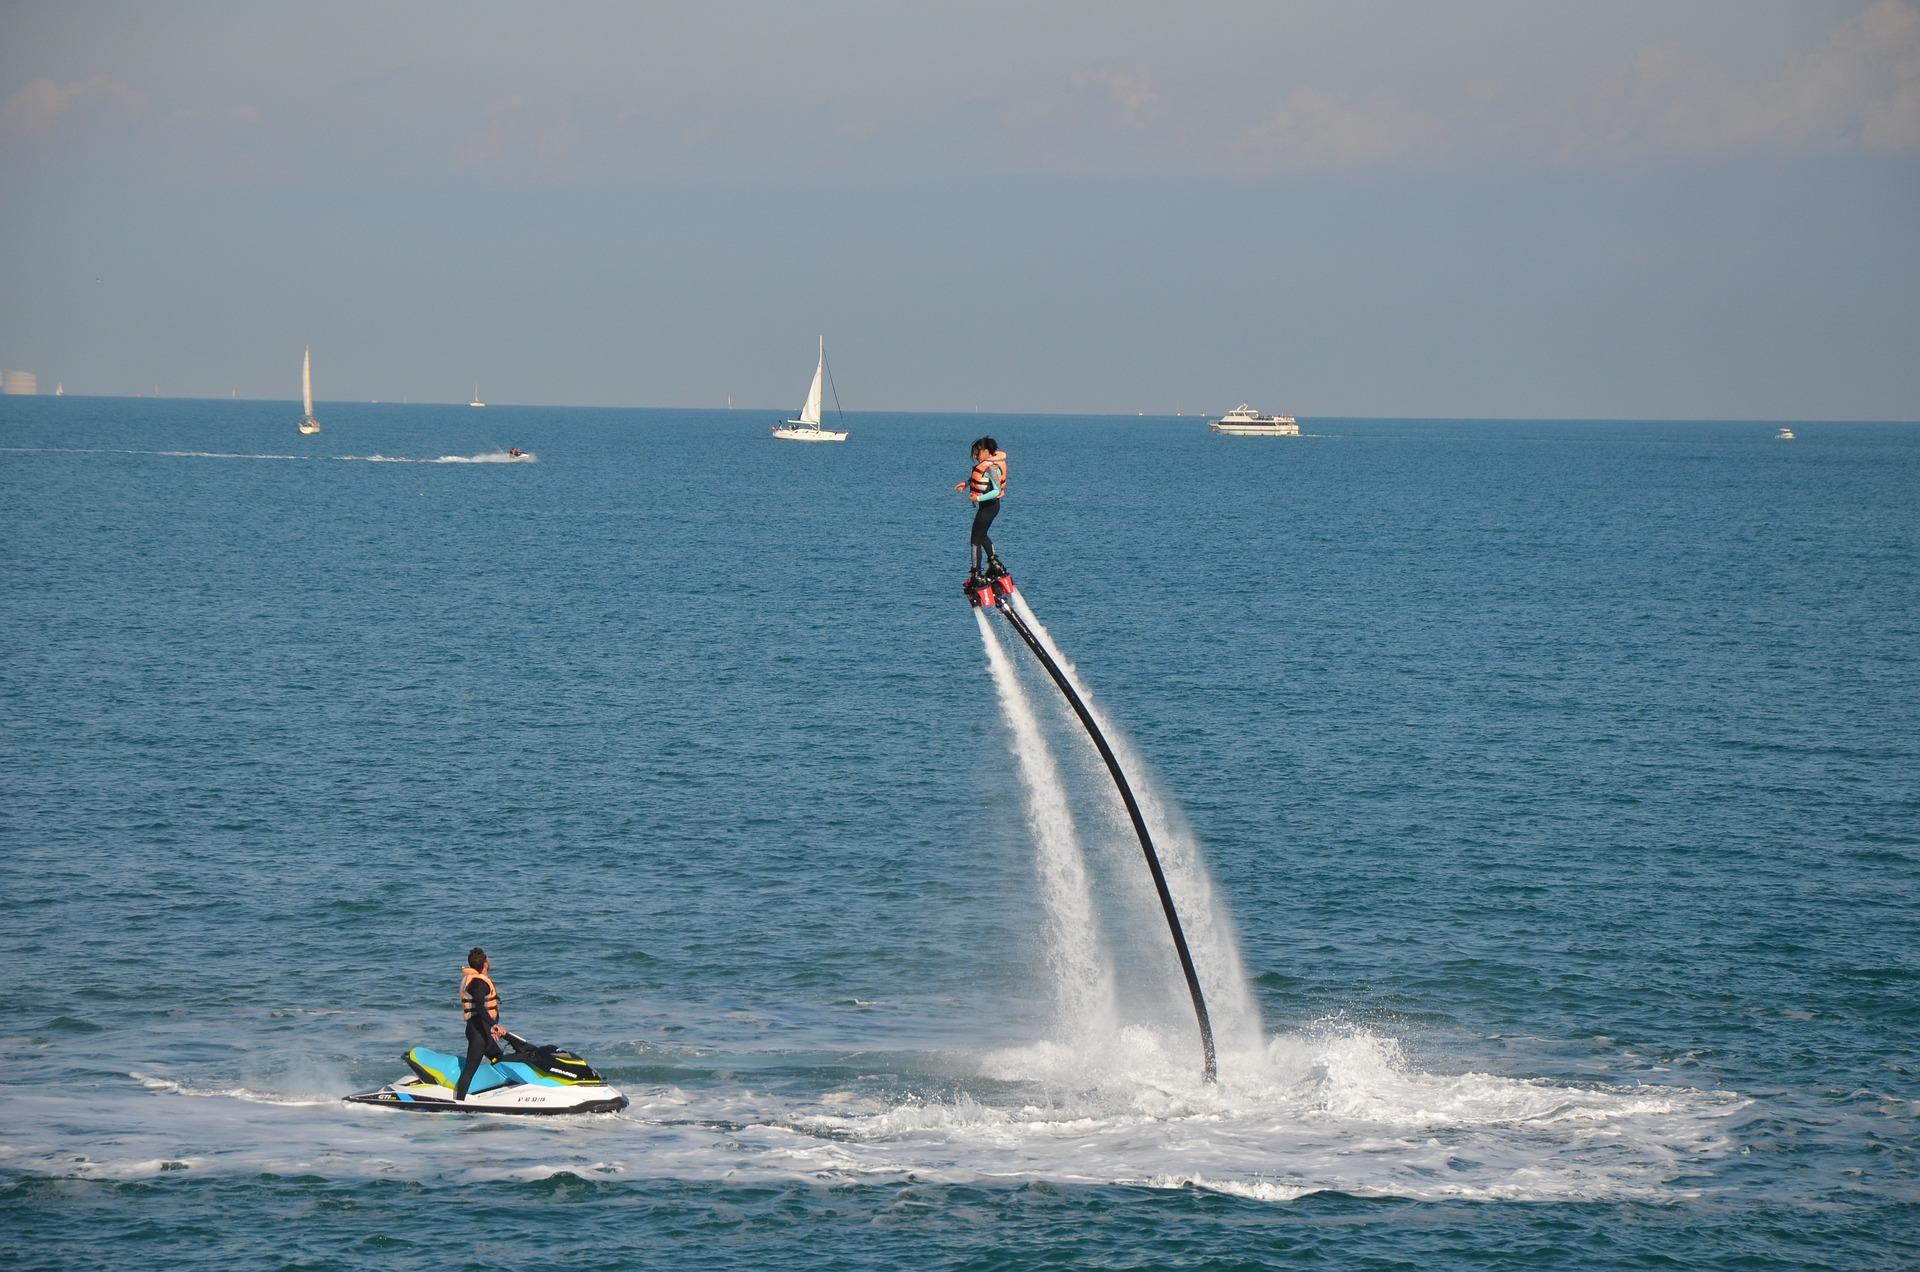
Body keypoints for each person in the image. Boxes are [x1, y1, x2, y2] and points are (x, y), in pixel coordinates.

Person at [453, 947, 505, 1101]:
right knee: (470, 1069)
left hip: (481, 1030)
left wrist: (490, 1026)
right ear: (485, 963)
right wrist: (493, 1025)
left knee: (498, 1057)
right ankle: (458, 1104)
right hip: (478, 1032)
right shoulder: (478, 983)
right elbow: (480, 1007)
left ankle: (499, 1093)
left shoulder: (477, 980)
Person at [955, 436, 1008, 579]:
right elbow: (980, 479)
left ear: (986, 451)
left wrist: (977, 498)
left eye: (978, 453)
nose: (976, 456)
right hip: (988, 507)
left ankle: (976, 573)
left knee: (975, 540)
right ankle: (994, 563)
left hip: (989, 507)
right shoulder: (987, 466)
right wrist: (966, 484)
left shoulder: (992, 467)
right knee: (981, 535)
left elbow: (996, 491)